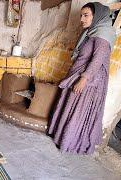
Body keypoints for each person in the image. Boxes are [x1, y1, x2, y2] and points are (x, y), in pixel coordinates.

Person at [48, 2, 116, 154]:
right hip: (80, 75)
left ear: (97, 16)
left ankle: (70, 143)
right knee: (70, 108)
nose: (82, 19)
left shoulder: (103, 35)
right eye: (81, 15)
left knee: (77, 111)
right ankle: (61, 137)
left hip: (89, 82)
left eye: (86, 15)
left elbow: (97, 60)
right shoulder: (91, 33)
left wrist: (83, 79)